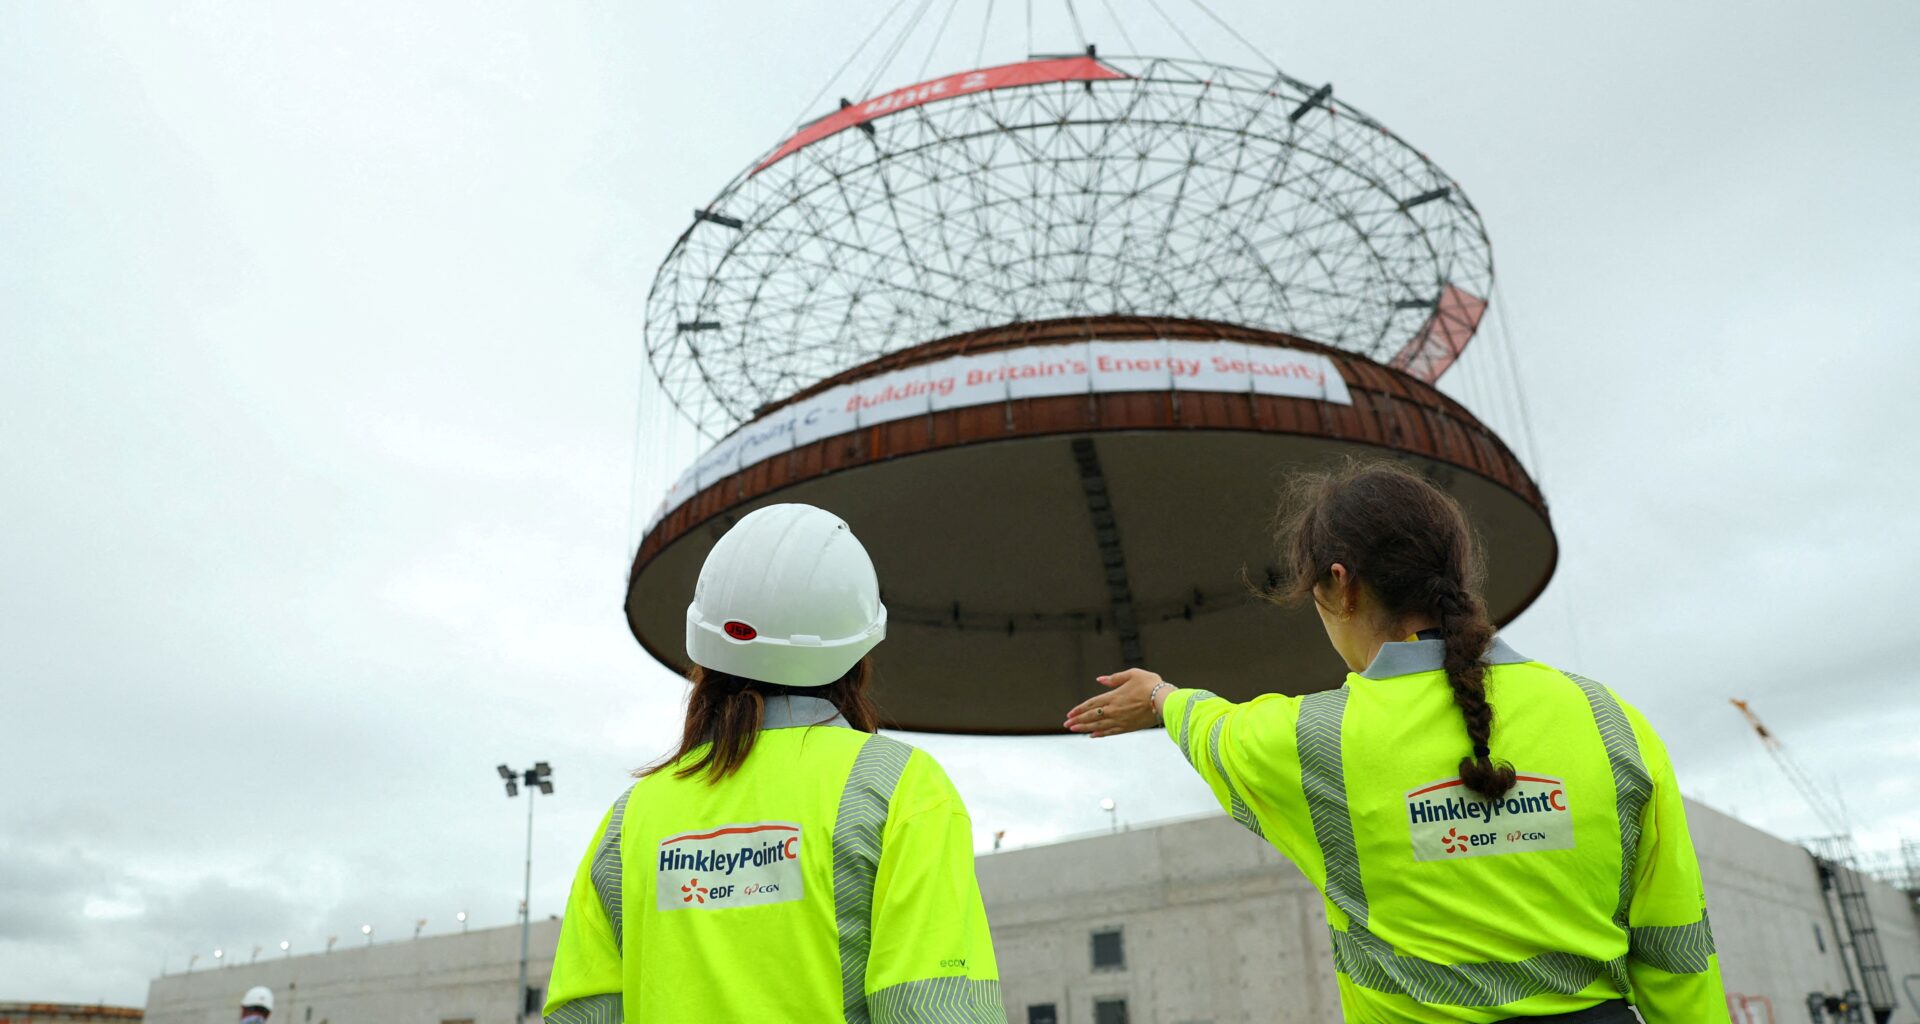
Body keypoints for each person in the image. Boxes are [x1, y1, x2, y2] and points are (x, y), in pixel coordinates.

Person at [1063, 461, 1726, 1024]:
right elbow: (1678, 950)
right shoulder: (1610, 720)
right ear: (1455, 574)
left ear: (1338, 584)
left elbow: (1214, 731)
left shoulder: (1308, 742)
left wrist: (1159, 696)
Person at [544, 503, 1005, 1023]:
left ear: (703, 649)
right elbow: (930, 1006)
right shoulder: (899, 788)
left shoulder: (630, 821)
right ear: (856, 653)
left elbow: (582, 1013)